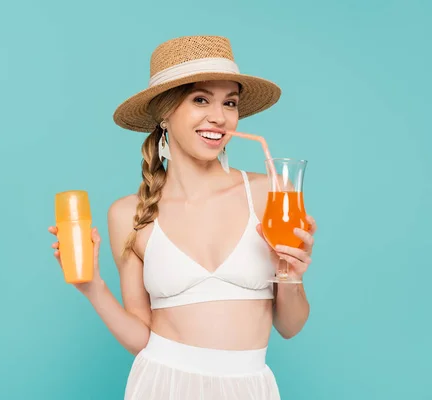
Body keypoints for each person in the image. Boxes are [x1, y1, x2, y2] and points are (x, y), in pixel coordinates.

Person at [48, 35, 317, 400]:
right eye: (200, 99)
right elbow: (142, 337)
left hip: (250, 387)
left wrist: (292, 275)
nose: (219, 117)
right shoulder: (129, 214)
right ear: (164, 112)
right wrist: (92, 288)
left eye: (230, 102)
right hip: (163, 385)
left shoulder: (270, 193)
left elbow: (290, 326)